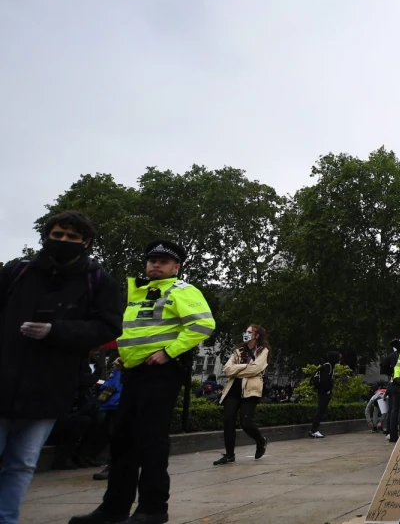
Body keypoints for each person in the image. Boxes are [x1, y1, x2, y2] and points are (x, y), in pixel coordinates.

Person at [71, 239, 216, 524]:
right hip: (133, 373)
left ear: (177, 266)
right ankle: (113, 508)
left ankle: (153, 508)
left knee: (151, 441)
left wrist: (168, 352)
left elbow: (203, 325)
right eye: (152, 260)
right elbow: (135, 331)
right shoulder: (139, 292)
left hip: (161, 374)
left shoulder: (182, 290)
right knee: (121, 441)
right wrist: (123, 357)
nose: (156, 265)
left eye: (163, 261)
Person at [0, 211, 123, 523]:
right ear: (46, 236)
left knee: (23, 463)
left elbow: (109, 327)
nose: (64, 241)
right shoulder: (17, 271)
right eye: (58, 235)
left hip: (50, 386)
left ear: (86, 243)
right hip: (3, 378)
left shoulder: (98, 281)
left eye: (72, 237)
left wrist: (57, 331)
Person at [213, 325, 270, 465]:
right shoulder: (238, 350)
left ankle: (260, 441)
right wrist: (245, 367)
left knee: (246, 423)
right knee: (228, 420)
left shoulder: (263, 351)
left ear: (257, 336)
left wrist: (237, 370)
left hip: (251, 390)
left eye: (250, 332)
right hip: (233, 389)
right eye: (246, 331)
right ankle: (229, 454)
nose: (246, 334)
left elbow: (256, 369)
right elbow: (227, 369)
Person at [309, 351, 340, 438]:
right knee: (320, 411)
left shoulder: (328, 366)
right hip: (324, 392)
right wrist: (327, 390)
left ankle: (314, 430)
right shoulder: (328, 366)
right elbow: (324, 381)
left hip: (323, 392)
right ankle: (314, 430)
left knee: (321, 411)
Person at [383, 338, 400, 442]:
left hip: (393, 383)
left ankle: (392, 433)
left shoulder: (391, 356)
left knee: (393, 410)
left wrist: (390, 373)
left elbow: (383, 366)